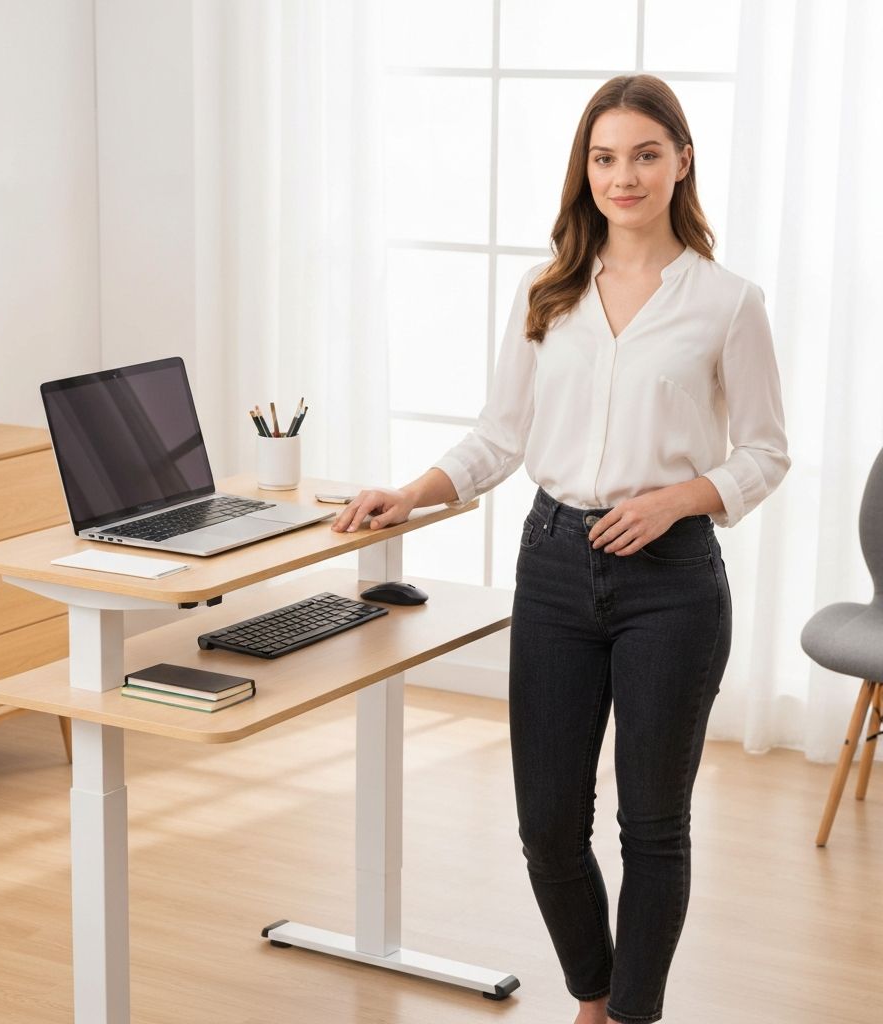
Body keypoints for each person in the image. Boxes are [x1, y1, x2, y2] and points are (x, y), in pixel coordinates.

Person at [332, 74, 790, 1023]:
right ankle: (594, 987)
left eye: (644, 155)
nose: (623, 176)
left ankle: (623, 1016)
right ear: (586, 171)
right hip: (552, 566)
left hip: (672, 580)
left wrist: (677, 500)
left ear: (682, 162)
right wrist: (411, 493)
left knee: (652, 827)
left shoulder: (727, 302)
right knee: (547, 825)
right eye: (605, 157)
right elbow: (501, 436)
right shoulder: (550, 290)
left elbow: (766, 452)